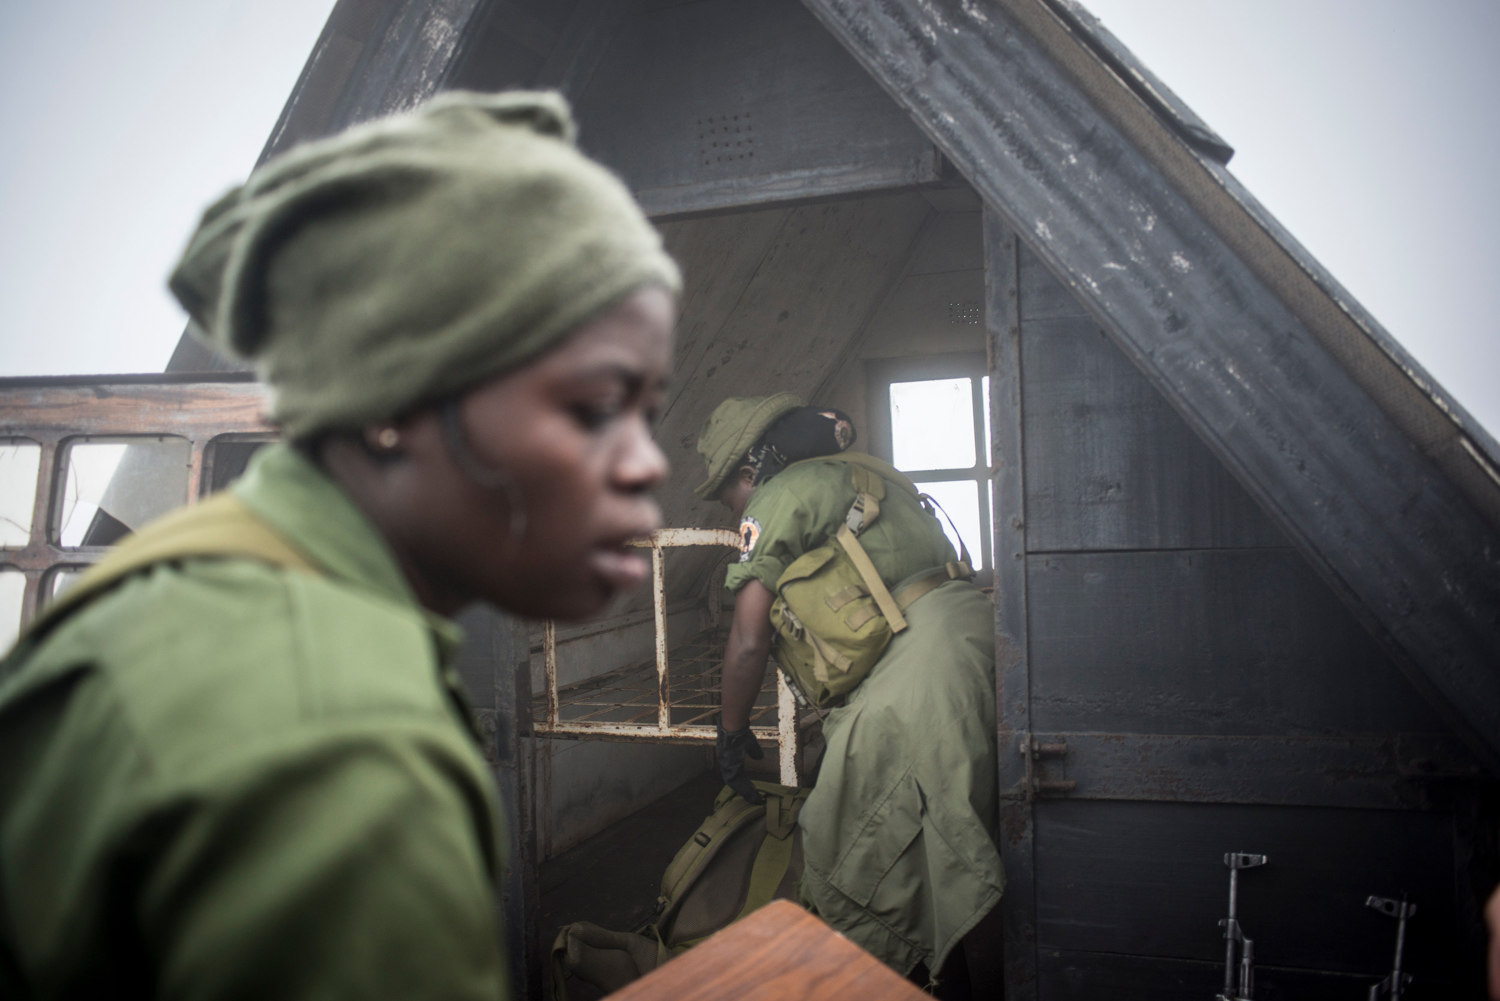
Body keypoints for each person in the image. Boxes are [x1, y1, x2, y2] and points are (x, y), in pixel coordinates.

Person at [0, 91, 679, 1001]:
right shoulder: (345, 746)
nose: (645, 464)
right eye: (592, 408)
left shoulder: (201, 575)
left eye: (648, 412)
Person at [695, 393, 1004, 986]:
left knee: (842, 838)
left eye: (728, 497)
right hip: (974, 638)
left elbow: (748, 639)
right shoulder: (867, 473)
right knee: (959, 830)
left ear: (747, 473)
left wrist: (730, 732)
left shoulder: (777, 498)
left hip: (923, 677)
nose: (733, 510)